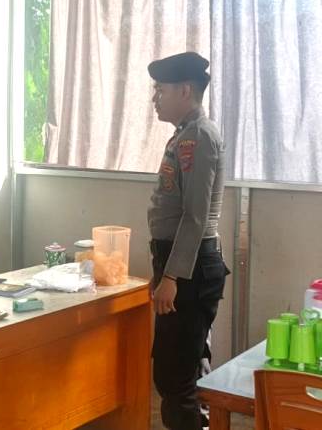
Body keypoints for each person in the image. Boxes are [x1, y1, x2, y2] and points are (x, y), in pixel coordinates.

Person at [147, 51, 229, 430]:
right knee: (182, 370)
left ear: (184, 91)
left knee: (175, 378)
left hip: (189, 270)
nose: (155, 98)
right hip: (181, 266)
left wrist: (171, 277)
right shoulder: (185, 134)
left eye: (160, 90)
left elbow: (195, 217)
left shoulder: (199, 136)